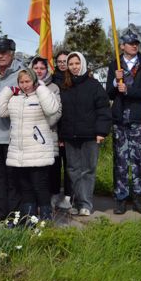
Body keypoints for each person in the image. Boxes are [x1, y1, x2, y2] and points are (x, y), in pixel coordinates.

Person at [0, 69, 61, 222]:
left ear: (34, 81)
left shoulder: (41, 96)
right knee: (26, 188)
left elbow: (52, 109)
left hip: (38, 151)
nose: (25, 85)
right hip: (20, 153)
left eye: (28, 81)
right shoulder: (15, 99)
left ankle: (46, 219)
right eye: (21, 82)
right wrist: (8, 90)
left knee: (40, 187)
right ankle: (30, 219)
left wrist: (41, 87)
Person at [106, 32, 141, 215]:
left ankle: (138, 198)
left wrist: (129, 90)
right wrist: (114, 80)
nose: (134, 46)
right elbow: (109, 94)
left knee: (139, 160)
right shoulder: (115, 65)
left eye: (136, 43)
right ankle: (120, 198)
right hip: (120, 120)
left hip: (139, 119)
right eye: (130, 43)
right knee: (120, 160)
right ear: (122, 46)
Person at [58, 52, 111, 216]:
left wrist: (101, 131)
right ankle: (76, 202)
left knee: (87, 170)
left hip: (89, 135)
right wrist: (61, 135)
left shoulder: (94, 85)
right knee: (73, 169)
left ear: (83, 64)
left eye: (77, 63)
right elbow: (60, 112)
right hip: (70, 136)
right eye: (71, 64)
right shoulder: (65, 86)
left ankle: (86, 204)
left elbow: (103, 109)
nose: (74, 67)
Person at [0, 36, 22, 221]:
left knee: (14, 178)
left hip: (14, 135)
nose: (0, 56)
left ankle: (14, 215)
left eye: (4, 53)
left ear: (12, 54)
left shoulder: (22, 74)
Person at [31, 56, 70, 210]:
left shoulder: (54, 87)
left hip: (48, 133)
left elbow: (57, 110)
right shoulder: (26, 84)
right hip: (30, 135)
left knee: (50, 169)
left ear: (46, 70)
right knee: (34, 170)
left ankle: (51, 199)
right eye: (36, 68)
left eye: (42, 68)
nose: (39, 71)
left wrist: (42, 126)